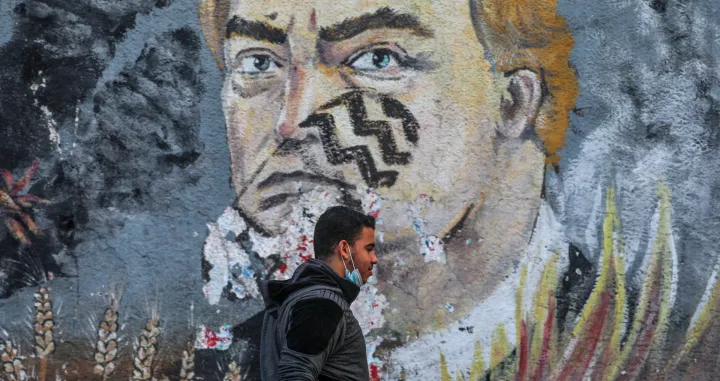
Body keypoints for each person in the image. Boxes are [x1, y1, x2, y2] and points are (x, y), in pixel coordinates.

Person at [197, 0, 579, 376]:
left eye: (379, 58)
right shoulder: (213, 368)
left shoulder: (624, 343)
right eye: (257, 63)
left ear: (513, 101)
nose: (292, 121)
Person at [259, 205, 378, 380]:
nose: (374, 259)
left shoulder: (295, 297)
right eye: (368, 249)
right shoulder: (322, 305)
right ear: (345, 249)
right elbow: (295, 375)